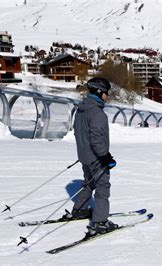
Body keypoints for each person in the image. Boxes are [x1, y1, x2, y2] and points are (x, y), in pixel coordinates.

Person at [62, 77, 118, 236]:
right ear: (100, 92)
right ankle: (100, 222)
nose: (107, 96)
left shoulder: (81, 109)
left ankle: (79, 210)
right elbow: (97, 139)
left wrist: (85, 151)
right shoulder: (97, 113)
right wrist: (105, 157)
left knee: (88, 183)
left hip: (84, 156)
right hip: (96, 158)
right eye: (106, 93)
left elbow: (80, 133)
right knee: (102, 188)